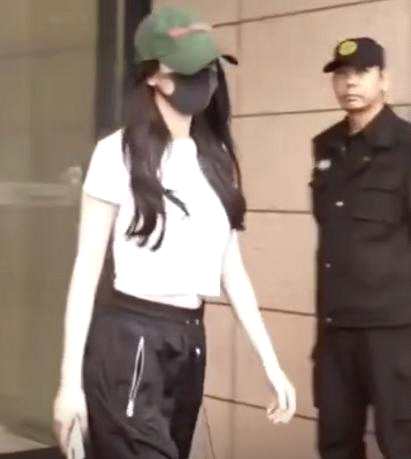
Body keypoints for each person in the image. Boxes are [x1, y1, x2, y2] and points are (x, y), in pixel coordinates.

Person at [53, 7, 296, 459]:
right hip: (130, 340)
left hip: (188, 340)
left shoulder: (216, 158)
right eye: (189, 69)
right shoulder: (116, 154)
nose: (204, 79)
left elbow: (232, 270)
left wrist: (270, 362)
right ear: (153, 76)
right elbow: (85, 272)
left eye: (209, 68)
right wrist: (69, 385)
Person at [311, 37, 411, 459]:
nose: (350, 82)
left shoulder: (406, 147)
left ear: (384, 80)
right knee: (335, 444)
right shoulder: (326, 145)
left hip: (393, 331)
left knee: (401, 443)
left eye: (362, 73)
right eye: (342, 74)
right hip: (335, 328)